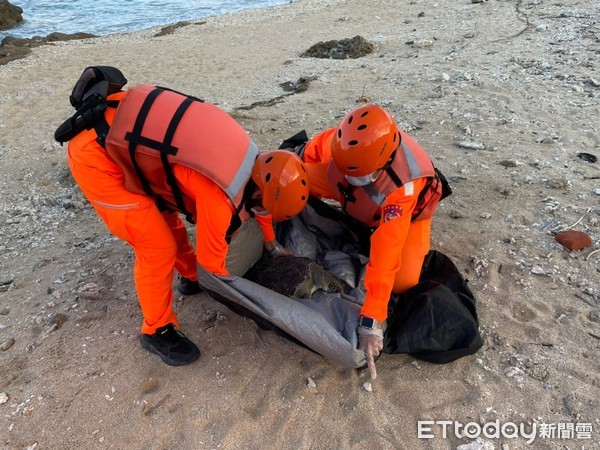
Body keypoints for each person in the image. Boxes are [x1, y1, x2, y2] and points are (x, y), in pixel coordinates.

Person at [55, 66, 309, 366]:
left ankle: (188, 278)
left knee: (166, 218)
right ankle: (156, 330)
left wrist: (272, 246)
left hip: (129, 141)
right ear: (260, 192)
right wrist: (252, 296)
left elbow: (262, 210)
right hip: (95, 156)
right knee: (156, 246)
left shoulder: (254, 158)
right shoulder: (218, 198)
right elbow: (214, 269)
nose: (263, 213)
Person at [298, 104, 447, 379]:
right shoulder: (340, 144)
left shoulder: (403, 188)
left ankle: (369, 220)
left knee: (404, 283)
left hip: (406, 216)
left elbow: (385, 255)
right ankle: (356, 212)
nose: (355, 180)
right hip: (349, 196)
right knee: (295, 182)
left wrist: (371, 318)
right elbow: (308, 154)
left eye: (361, 176)